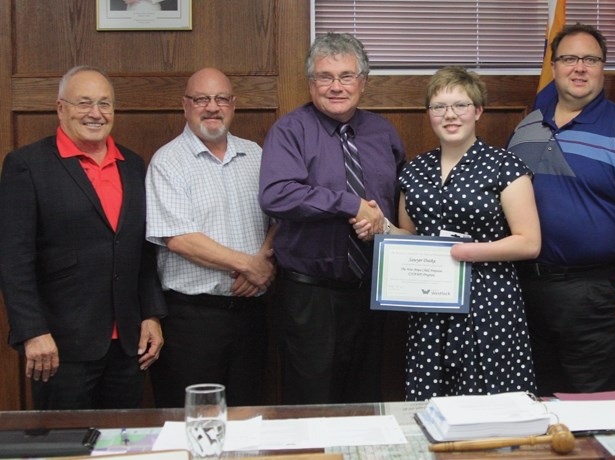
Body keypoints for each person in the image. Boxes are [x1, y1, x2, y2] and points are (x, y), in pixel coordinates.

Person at [506, 23, 615, 396]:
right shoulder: (527, 125)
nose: (579, 68)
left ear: (602, 68)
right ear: (555, 66)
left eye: (590, 59)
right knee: (540, 404)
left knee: (598, 408)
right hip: (528, 291)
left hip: (599, 296)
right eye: (569, 58)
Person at [0, 65, 166, 410]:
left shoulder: (133, 165)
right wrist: (32, 331)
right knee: (66, 446)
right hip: (60, 346)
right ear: (61, 108)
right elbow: (13, 258)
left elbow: (144, 252)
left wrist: (151, 315)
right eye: (84, 103)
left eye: (105, 104)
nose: (96, 113)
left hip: (128, 346)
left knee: (123, 444)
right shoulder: (27, 166)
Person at [259, 32, 405, 404]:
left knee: (366, 397)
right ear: (311, 83)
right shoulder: (290, 131)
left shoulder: (383, 132)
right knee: (311, 402)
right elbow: (276, 195)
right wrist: (349, 204)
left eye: (346, 76)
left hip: (371, 292)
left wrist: (379, 222)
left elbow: (397, 201)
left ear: (363, 82)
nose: (336, 87)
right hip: (310, 296)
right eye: (325, 77)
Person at [384, 66, 540, 400]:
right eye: (439, 107)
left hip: (489, 302)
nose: (449, 115)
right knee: (431, 404)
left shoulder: (505, 166)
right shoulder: (413, 171)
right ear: (429, 114)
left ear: (478, 111)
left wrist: (467, 251)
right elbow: (410, 239)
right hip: (430, 302)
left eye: (461, 105)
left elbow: (529, 242)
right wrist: (380, 229)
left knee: (491, 404)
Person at [146, 67, 276, 407]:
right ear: (185, 105)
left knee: (248, 419)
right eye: (202, 99)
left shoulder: (257, 156)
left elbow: (283, 218)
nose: (212, 107)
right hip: (192, 321)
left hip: (252, 316)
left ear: (233, 104)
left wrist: (265, 260)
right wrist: (251, 266)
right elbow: (179, 238)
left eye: (221, 99)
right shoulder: (167, 162)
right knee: (191, 422)